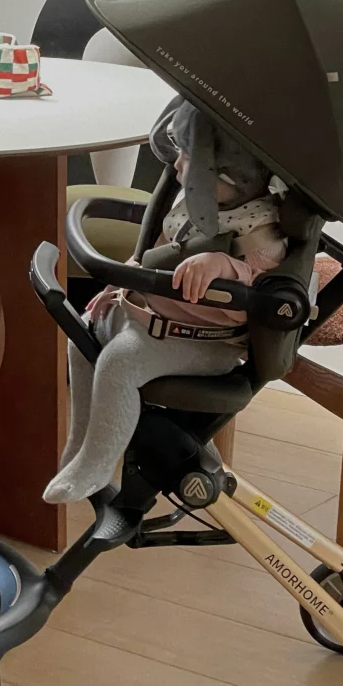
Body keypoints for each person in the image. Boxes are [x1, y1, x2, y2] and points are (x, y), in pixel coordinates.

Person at [44, 99, 286, 505]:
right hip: (151, 315)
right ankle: (81, 444)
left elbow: (264, 297)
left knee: (119, 362)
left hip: (205, 343)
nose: (176, 166)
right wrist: (119, 283)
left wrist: (226, 266)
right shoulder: (195, 205)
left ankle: (98, 464)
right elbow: (156, 252)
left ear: (225, 177)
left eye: (187, 158)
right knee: (81, 336)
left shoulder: (258, 231)